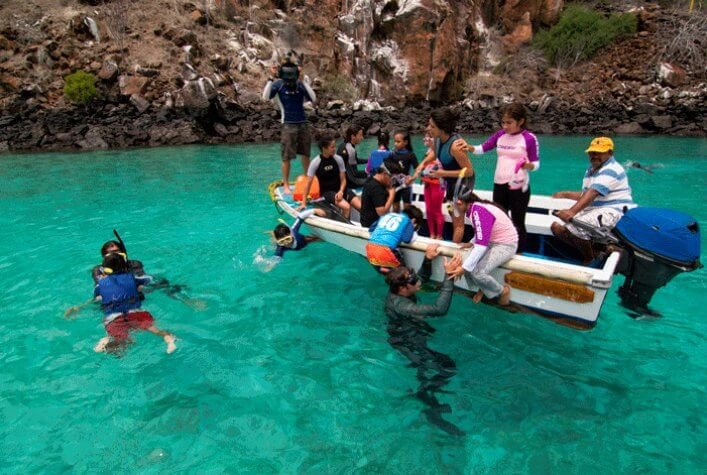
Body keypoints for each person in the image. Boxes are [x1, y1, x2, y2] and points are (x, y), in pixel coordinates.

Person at [385, 245, 464, 436]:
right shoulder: (402, 305)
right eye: (413, 281)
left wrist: (427, 259)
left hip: (413, 333)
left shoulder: (403, 290)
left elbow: (422, 279)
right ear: (403, 288)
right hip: (407, 341)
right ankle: (432, 411)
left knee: (431, 369)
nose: (418, 282)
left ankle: (425, 397)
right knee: (446, 367)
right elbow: (439, 309)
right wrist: (449, 278)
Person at [457, 103, 539, 253]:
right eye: (503, 122)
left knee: (517, 221)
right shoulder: (500, 135)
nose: (505, 126)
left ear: (520, 121)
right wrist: (468, 147)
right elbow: (483, 148)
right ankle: (495, 247)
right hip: (499, 184)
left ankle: (518, 251)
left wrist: (527, 165)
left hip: (518, 186)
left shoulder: (529, 138)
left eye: (509, 122)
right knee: (497, 217)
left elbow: (536, 164)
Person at [551, 137, 636, 264]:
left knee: (575, 224)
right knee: (557, 228)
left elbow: (594, 192)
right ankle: (601, 250)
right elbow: (587, 194)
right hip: (597, 209)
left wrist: (571, 212)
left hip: (614, 211)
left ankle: (590, 258)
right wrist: (565, 194)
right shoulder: (591, 169)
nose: (594, 156)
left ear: (610, 153)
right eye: (592, 152)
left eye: (599, 153)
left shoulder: (611, 169)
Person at [92, 252, 176, 354]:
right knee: (154, 329)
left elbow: (98, 297)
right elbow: (149, 279)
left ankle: (106, 341)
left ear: (105, 270)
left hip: (114, 318)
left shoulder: (99, 286)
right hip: (136, 313)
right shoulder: (133, 278)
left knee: (119, 339)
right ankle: (169, 339)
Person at [448, 190, 517, 305]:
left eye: (455, 205)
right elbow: (482, 232)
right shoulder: (473, 209)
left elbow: (480, 247)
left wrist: (463, 268)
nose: (453, 209)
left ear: (464, 203)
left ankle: (502, 291)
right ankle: (484, 287)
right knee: (466, 262)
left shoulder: (478, 212)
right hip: (490, 241)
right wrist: (471, 242)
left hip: (505, 244)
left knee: (477, 272)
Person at [262, 55, 316, 195]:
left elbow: (313, 97)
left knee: (306, 154)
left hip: (302, 123)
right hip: (288, 124)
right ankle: (285, 184)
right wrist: (270, 78)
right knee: (286, 157)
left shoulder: (300, 84)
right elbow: (265, 97)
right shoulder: (278, 85)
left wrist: (302, 80)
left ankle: (307, 181)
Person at [420, 108, 475, 243]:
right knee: (451, 211)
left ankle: (454, 253)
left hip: (462, 185)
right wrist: (421, 165)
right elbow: (436, 152)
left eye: (432, 126)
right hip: (450, 183)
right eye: (429, 124)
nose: (428, 129)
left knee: (457, 219)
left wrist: (442, 173)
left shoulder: (456, 146)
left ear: (442, 128)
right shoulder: (438, 139)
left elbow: (469, 171)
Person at [298, 135, 357, 219]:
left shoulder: (338, 159)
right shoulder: (316, 162)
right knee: (347, 207)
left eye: (335, 146)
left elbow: (343, 179)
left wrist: (341, 191)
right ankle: (344, 227)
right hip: (327, 192)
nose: (335, 149)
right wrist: (303, 202)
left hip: (341, 190)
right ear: (324, 148)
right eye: (332, 147)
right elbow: (308, 183)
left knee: (361, 206)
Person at [366, 207, 423, 274]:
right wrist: (411, 228)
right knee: (405, 276)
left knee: (390, 275)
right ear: (413, 220)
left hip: (370, 250)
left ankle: (385, 269)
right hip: (386, 251)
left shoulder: (386, 215)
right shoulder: (408, 221)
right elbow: (406, 239)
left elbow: (371, 229)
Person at [411, 135, 445, 239]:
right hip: (427, 185)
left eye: (429, 137)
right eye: (424, 137)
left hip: (437, 185)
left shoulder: (441, 153)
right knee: (429, 211)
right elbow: (422, 168)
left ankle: (439, 235)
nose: (425, 139)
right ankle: (432, 234)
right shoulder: (428, 152)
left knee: (436, 211)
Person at [359, 159, 400, 228]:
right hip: (373, 226)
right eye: (392, 178)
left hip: (365, 221)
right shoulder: (376, 188)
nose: (392, 181)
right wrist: (392, 195)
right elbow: (382, 213)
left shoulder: (370, 180)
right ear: (384, 174)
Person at [389, 129, 419, 212]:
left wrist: (412, 178)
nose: (395, 144)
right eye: (395, 141)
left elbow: (417, 169)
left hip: (406, 184)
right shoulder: (392, 154)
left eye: (398, 142)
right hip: (394, 183)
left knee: (407, 207)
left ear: (405, 142)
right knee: (395, 207)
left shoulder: (410, 155)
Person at [338, 124, 367, 202]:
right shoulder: (350, 150)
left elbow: (355, 161)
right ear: (352, 136)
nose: (362, 138)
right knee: (373, 179)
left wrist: (368, 160)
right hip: (349, 181)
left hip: (342, 178)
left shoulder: (343, 145)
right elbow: (354, 175)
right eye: (360, 135)